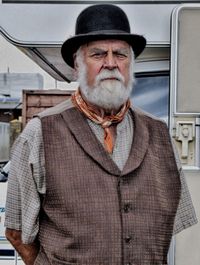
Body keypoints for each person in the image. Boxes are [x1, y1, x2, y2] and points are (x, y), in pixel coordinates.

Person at [5, 4, 197, 265]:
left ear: (130, 64)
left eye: (120, 54)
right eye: (98, 54)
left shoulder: (159, 133)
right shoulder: (40, 133)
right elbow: (16, 233)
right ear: (77, 64)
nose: (110, 64)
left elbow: (174, 219)